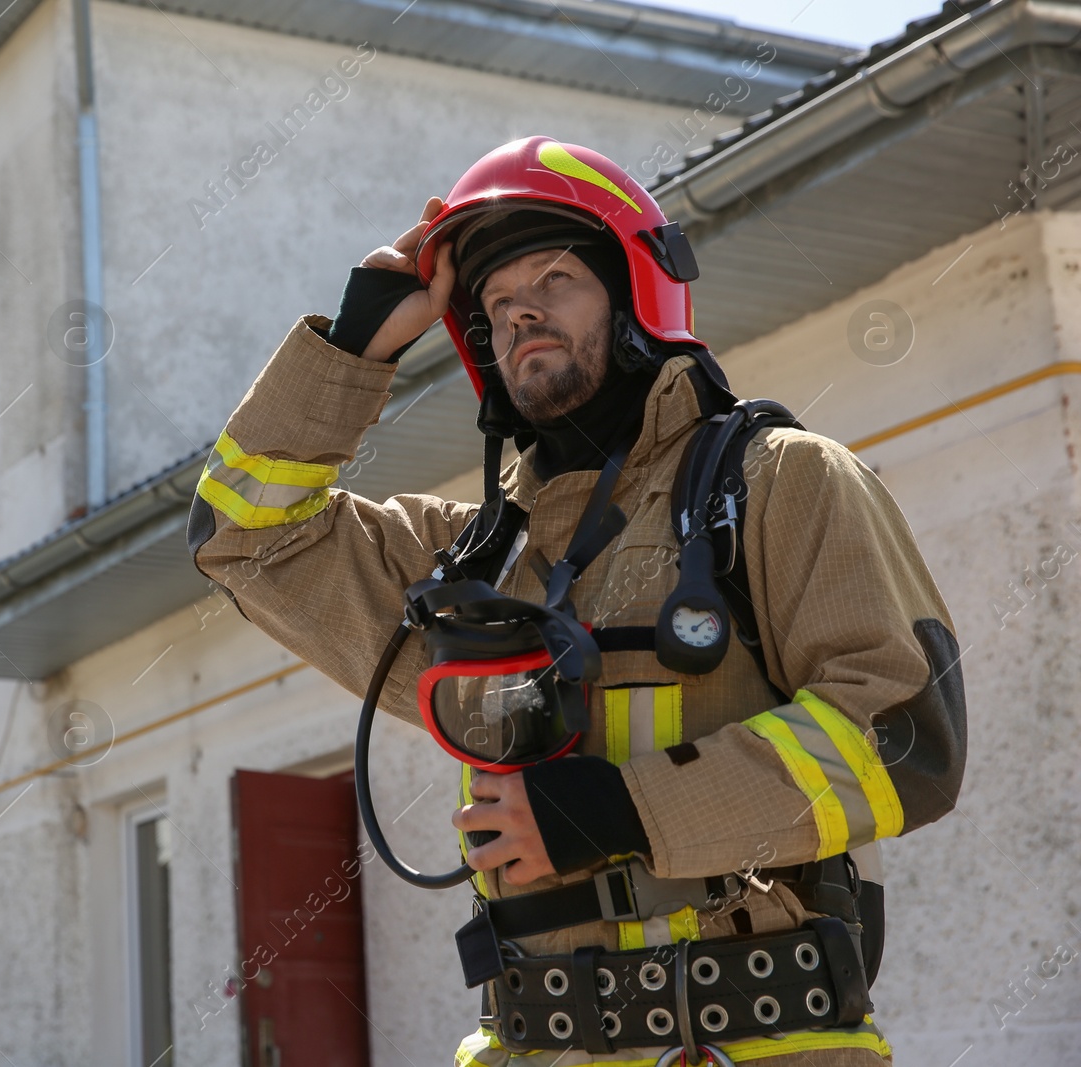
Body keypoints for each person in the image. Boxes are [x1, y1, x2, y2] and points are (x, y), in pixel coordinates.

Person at [187, 138, 966, 1066]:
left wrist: (612, 811)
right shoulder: (467, 557)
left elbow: (905, 735)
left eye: (554, 277)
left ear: (636, 288)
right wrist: (350, 350)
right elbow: (244, 537)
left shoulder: (777, 483)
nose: (521, 311)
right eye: (495, 302)